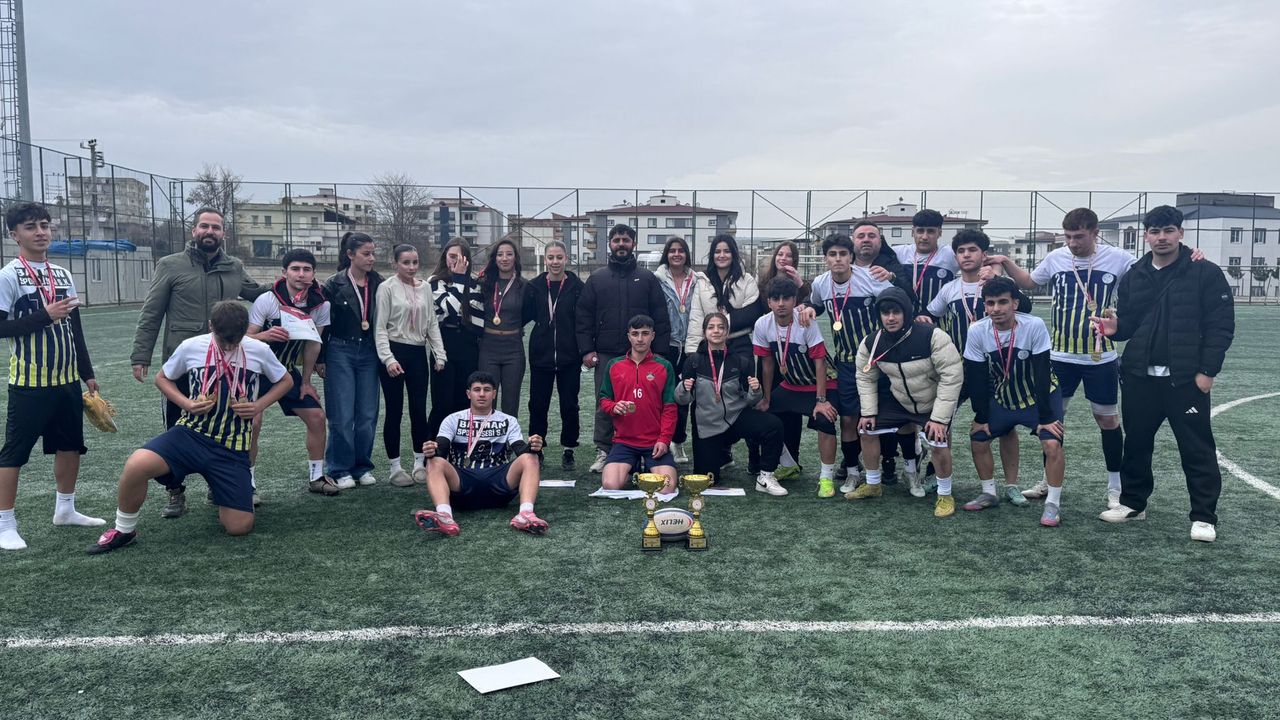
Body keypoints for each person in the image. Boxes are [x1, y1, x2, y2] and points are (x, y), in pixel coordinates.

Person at [88, 301, 292, 554]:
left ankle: (223, 492)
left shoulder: (259, 349)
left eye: (235, 340)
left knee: (239, 527)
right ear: (211, 327)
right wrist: (187, 403)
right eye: (224, 341)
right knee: (136, 464)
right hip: (191, 435)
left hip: (232, 445)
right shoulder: (191, 346)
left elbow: (285, 380)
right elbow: (162, 378)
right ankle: (124, 530)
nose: (229, 347)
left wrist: (258, 405)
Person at [1094, 205, 1234, 542]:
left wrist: (1207, 372)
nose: (1162, 238)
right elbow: (1130, 323)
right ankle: (1133, 503)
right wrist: (1115, 329)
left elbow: (1221, 326)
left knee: (1197, 449)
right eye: (1155, 231)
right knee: (1136, 444)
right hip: (1140, 378)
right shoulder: (1136, 274)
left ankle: (1203, 516)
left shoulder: (1204, 272)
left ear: (1180, 233)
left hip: (1185, 379)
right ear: (1146, 236)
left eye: (1168, 231)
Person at [988, 208, 1132, 508]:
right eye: (1068, 237)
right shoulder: (1056, 258)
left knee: (1107, 420)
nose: (1072, 243)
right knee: (1051, 421)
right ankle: (1047, 481)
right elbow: (1029, 282)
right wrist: (1006, 262)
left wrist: (1190, 256)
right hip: (1059, 357)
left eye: (1079, 237)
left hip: (1100, 357)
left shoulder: (1119, 259)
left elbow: (1152, 273)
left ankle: (1116, 488)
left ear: (1095, 233)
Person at [130, 206, 266, 517]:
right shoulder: (170, 265)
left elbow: (257, 293)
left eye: (215, 227)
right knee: (175, 427)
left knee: (226, 426)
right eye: (204, 226)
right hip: (183, 365)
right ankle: (175, 491)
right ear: (194, 230)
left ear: (223, 233)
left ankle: (220, 484)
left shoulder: (234, 266)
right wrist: (141, 355)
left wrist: (291, 285)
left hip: (227, 365)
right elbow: (151, 313)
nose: (209, 232)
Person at [0, 202, 102, 550]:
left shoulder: (62, 274)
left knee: (70, 446)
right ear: (14, 234)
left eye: (45, 225)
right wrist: (44, 315)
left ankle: (65, 509)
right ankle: (5, 524)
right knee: (14, 453)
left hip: (67, 381)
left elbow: (75, 326)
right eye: (31, 227)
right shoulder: (8, 276)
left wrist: (86, 372)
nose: (41, 232)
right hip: (30, 383)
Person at [799, 226, 915, 495]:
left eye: (843, 254)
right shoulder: (821, 284)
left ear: (851, 257)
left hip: (879, 360)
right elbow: (815, 303)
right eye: (832, 254)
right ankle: (853, 471)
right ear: (825, 259)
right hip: (847, 363)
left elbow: (901, 300)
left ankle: (908, 470)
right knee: (849, 420)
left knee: (896, 415)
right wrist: (808, 307)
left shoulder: (870, 278)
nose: (838, 259)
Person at [927, 229, 1024, 504]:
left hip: (997, 369)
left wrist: (997, 276)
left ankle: (1012, 485)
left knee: (1006, 427)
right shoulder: (949, 289)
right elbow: (929, 314)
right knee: (942, 421)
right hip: (957, 368)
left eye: (972, 250)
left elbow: (1024, 307)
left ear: (984, 254)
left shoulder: (998, 284)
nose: (966, 255)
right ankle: (936, 474)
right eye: (961, 251)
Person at [962, 277, 1066, 527]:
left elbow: (1042, 371)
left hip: (1039, 397)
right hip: (1005, 396)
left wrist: (1045, 417)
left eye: (1003, 302)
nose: (996, 309)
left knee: (1052, 443)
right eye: (990, 303)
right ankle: (989, 493)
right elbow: (976, 376)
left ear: (1015, 303)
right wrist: (981, 416)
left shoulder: (1033, 325)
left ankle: (1052, 504)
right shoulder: (977, 330)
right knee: (978, 438)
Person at [852, 287, 963, 517]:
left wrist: (939, 419)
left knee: (938, 440)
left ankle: (945, 495)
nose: (890, 318)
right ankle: (873, 484)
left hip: (932, 401)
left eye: (896, 312)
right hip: (900, 400)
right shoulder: (872, 342)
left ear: (907, 312)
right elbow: (865, 377)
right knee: (866, 428)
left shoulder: (932, 336)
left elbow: (952, 376)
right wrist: (868, 412)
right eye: (885, 313)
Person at [576, 224, 670, 473]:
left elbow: (661, 316)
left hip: (643, 354)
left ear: (633, 244)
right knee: (605, 402)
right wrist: (587, 350)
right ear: (610, 243)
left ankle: (647, 447)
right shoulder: (597, 278)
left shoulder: (647, 278)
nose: (621, 244)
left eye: (625, 240)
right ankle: (604, 450)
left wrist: (659, 352)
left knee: (646, 402)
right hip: (606, 353)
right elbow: (583, 317)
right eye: (616, 240)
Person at [413, 371, 548, 537]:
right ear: (468, 394)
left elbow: (520, 450)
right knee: (434, 461)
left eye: (487, 389)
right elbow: (441, 449)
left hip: (499, 482)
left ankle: (525, 514)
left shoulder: (508, 420)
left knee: (531, 458)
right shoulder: (452, 419)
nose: (482, 394)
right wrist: (432, 450)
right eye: (477, 390)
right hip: (462, 482)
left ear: (494, 394)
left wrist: (533, 447)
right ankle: (445, 516)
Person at [246, 248, 331, 495]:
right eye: (295, 269)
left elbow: (313, 344)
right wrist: (265, 335)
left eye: (306, 269)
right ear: (284, 272)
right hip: (256, 371)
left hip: (285, 371)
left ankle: (317, 477)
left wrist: (305, 382)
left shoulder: (320, 303)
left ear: (314, 273)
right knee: (252, 422)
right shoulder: (268, 299)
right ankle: (247, 484)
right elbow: (244, 339)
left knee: (317, 417)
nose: (301, 274)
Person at [677, 313, 784, 494]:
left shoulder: (740, 361)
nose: (716, 331)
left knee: (773, 425)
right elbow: (682, 400)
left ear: (727, 332)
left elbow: (751, 400)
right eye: (711, 327)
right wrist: (683, 389)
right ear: (704, 332)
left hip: (736, 418)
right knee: (707, 481)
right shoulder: (693, 362)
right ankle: (719, 455)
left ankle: (765, 476)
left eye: (721, 327)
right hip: (708, 426)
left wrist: (756, 391)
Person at [754, 277, 841, 495]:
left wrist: (821, 401)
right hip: (792, 385)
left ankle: (826, 478)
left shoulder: (805, 322)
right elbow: (767, 364)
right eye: (775, 299)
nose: (781, 303)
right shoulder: (762, 324)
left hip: (823, 385)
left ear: (795, 300)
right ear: (769, 302)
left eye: (786, 298)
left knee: (824, 419)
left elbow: (820, 363)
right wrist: (766, 398)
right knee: (761, 416)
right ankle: (789, 464)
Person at [375, 244, 447, 487]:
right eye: (406, 262)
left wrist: (440, 354)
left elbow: (431, 323)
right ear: (395, 263)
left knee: (419, 410)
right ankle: (395, 467)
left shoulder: (425, 287)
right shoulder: (386, 288)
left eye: (415, 262)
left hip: (417, 353)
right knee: (394, 410)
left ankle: (419, 463)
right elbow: (380, 327)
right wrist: (388, 359)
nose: (411, 267)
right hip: (394, 352)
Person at [321, 231, 382, 489]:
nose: (372, 258)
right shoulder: (333, 285)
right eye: (366, 254)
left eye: (373, 253)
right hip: (340, 350)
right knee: (342, 414)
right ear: (350, 255)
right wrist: (321, 358)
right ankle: (339, 468)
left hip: (369, 352)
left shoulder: (379, 283)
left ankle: (362, 466)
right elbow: (322, 324)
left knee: (367, 414)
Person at [598, 315, 679, 496]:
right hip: (624, 441)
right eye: (635, 334)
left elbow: (670, 408)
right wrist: (613, 407)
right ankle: (633, 465)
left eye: (645, 333)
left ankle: (648, 465)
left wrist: (664, 440)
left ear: (653, 336)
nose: (640, 338)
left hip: (654, 442)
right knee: (610, 485)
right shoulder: (614, 365)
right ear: (629, 336)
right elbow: (604, 399)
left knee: (667, 487)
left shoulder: (664, 366)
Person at [528, 241, 584, 470]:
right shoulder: (534, 286)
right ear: (545, 260)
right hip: (540, 356)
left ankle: (569, 449)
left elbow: (583, 319)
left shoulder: (577, 286)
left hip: (569, 357)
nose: (555, 262)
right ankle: (537, 449)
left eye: (559, 257)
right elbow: (525, 314)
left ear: (566, 259)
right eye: (550, 257)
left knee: (569, 405)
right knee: (537, 405)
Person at [654, 236, 708, 463]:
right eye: (672, 250)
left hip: (691, 346)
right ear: (666, 254)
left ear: (687, 254)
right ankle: (659, 439)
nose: (677, 254)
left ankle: (678, 442)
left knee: (684, 393)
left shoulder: (698, 280)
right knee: (662, 395)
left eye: (681, 250)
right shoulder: (657, 279)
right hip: (666, 345)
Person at [425, 239, 485, 443]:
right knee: (442, 402)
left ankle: (461, 448)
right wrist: (459, 280)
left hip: (469, 346)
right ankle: (435, 448)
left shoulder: (475, 283)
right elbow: (448, 310)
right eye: (452, 257)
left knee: (464, 400)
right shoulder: (434, 282)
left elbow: (479, 320)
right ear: (445, 257)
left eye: (460, 257)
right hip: (443, 344)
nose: (456, 261)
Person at [478, 238, 536, 418]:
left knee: (511, 402)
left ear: (515, 258)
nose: (504, 258)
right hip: (488, 348)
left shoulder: (524, 286)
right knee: (487, 400)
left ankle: (509, 436)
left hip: (513, 349)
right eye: (500, 254)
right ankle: (486, 435)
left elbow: (528, 313)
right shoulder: (484, 284)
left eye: (509, 254)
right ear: (494, 258)